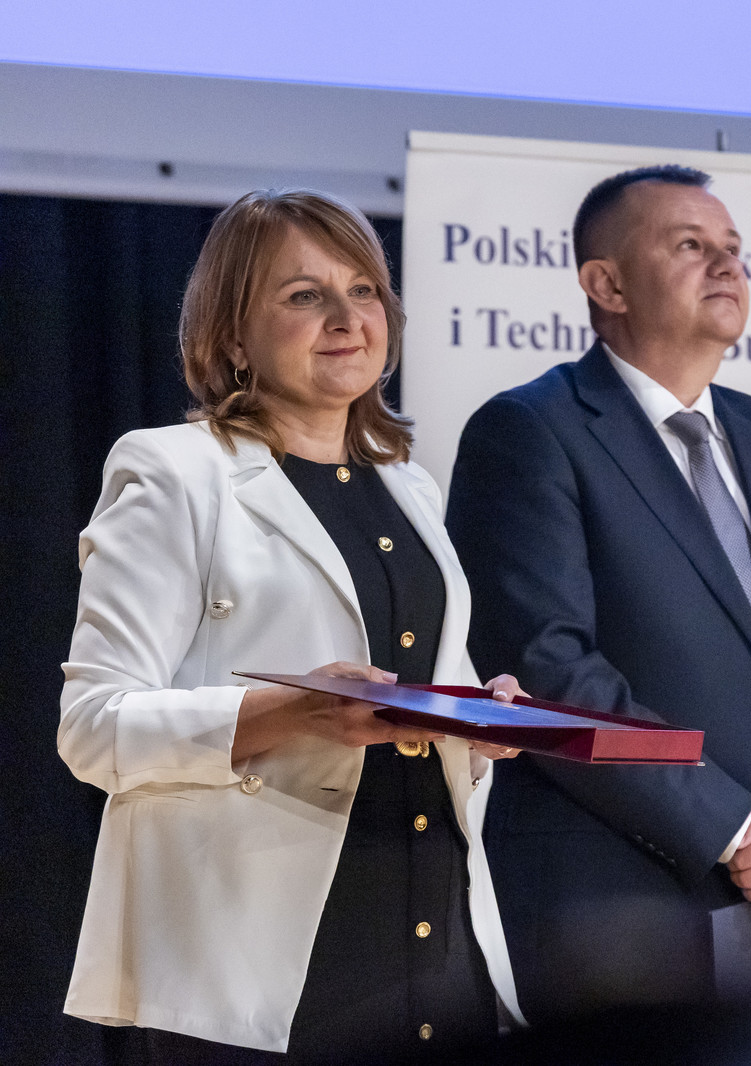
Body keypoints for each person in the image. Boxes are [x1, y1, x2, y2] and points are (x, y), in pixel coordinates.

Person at [59, 189, 527, 1063]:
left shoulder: (409, 485)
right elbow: (92, 729)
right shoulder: (174, 472)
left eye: (364, 291)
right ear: (234, 336)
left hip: (434, 932)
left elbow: (422, 702)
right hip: (263, 964)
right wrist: (293, 712)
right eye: (305, 295)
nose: (348, 319)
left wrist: (477, 721)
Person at [445, 165, 751, 1014]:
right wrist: (739, 833)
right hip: (623, 910)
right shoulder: (529, 433)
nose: (727, 264)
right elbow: (549, 671)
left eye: (733, 248)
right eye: (691, 246)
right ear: (607, 284)